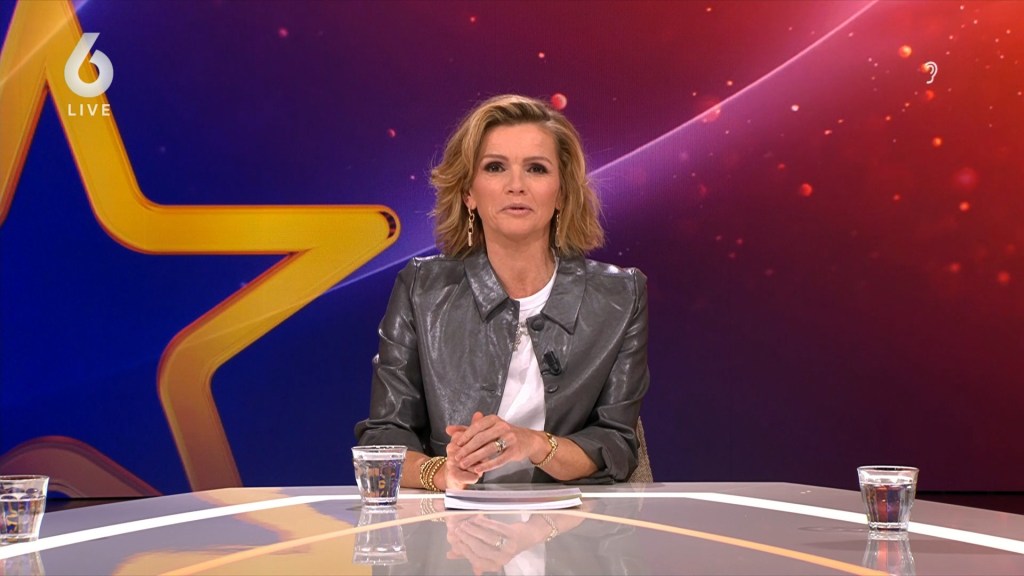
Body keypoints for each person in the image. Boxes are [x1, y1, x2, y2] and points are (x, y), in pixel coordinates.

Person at [354, 94, 649, 491]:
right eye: (495, 167)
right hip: (451, 521)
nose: (516, 186)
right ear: (469, 193)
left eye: (536, 169)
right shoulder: (423, 289)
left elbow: (616, 444)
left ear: (562, 193)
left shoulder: (620, 296)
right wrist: (442, 472)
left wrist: (532, 444)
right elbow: (384, 437)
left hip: (572, 519)